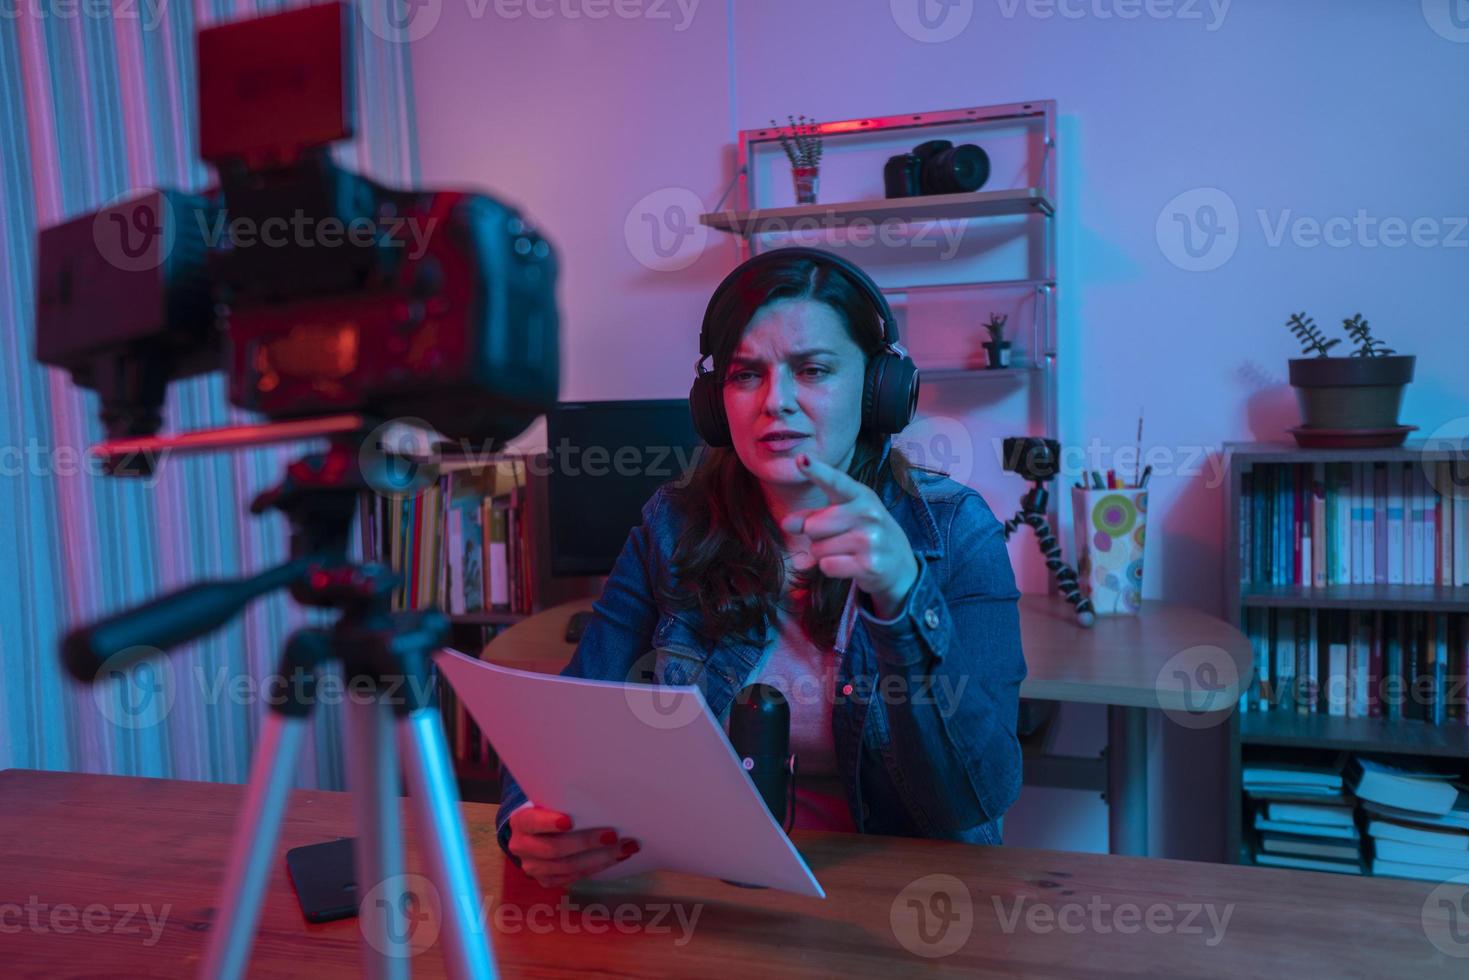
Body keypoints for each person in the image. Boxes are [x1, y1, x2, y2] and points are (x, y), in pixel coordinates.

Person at [497, 248, 1026, 888]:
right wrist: (525, 818)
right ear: (716, 403)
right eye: (746, 375)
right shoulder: (672, 526)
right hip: (715, 894)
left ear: (879, 389)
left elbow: (972, 797)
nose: (775, 402)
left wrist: (902, 598)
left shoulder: (957, 531)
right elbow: (570, 721)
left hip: (904, 899)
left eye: (812, 369)